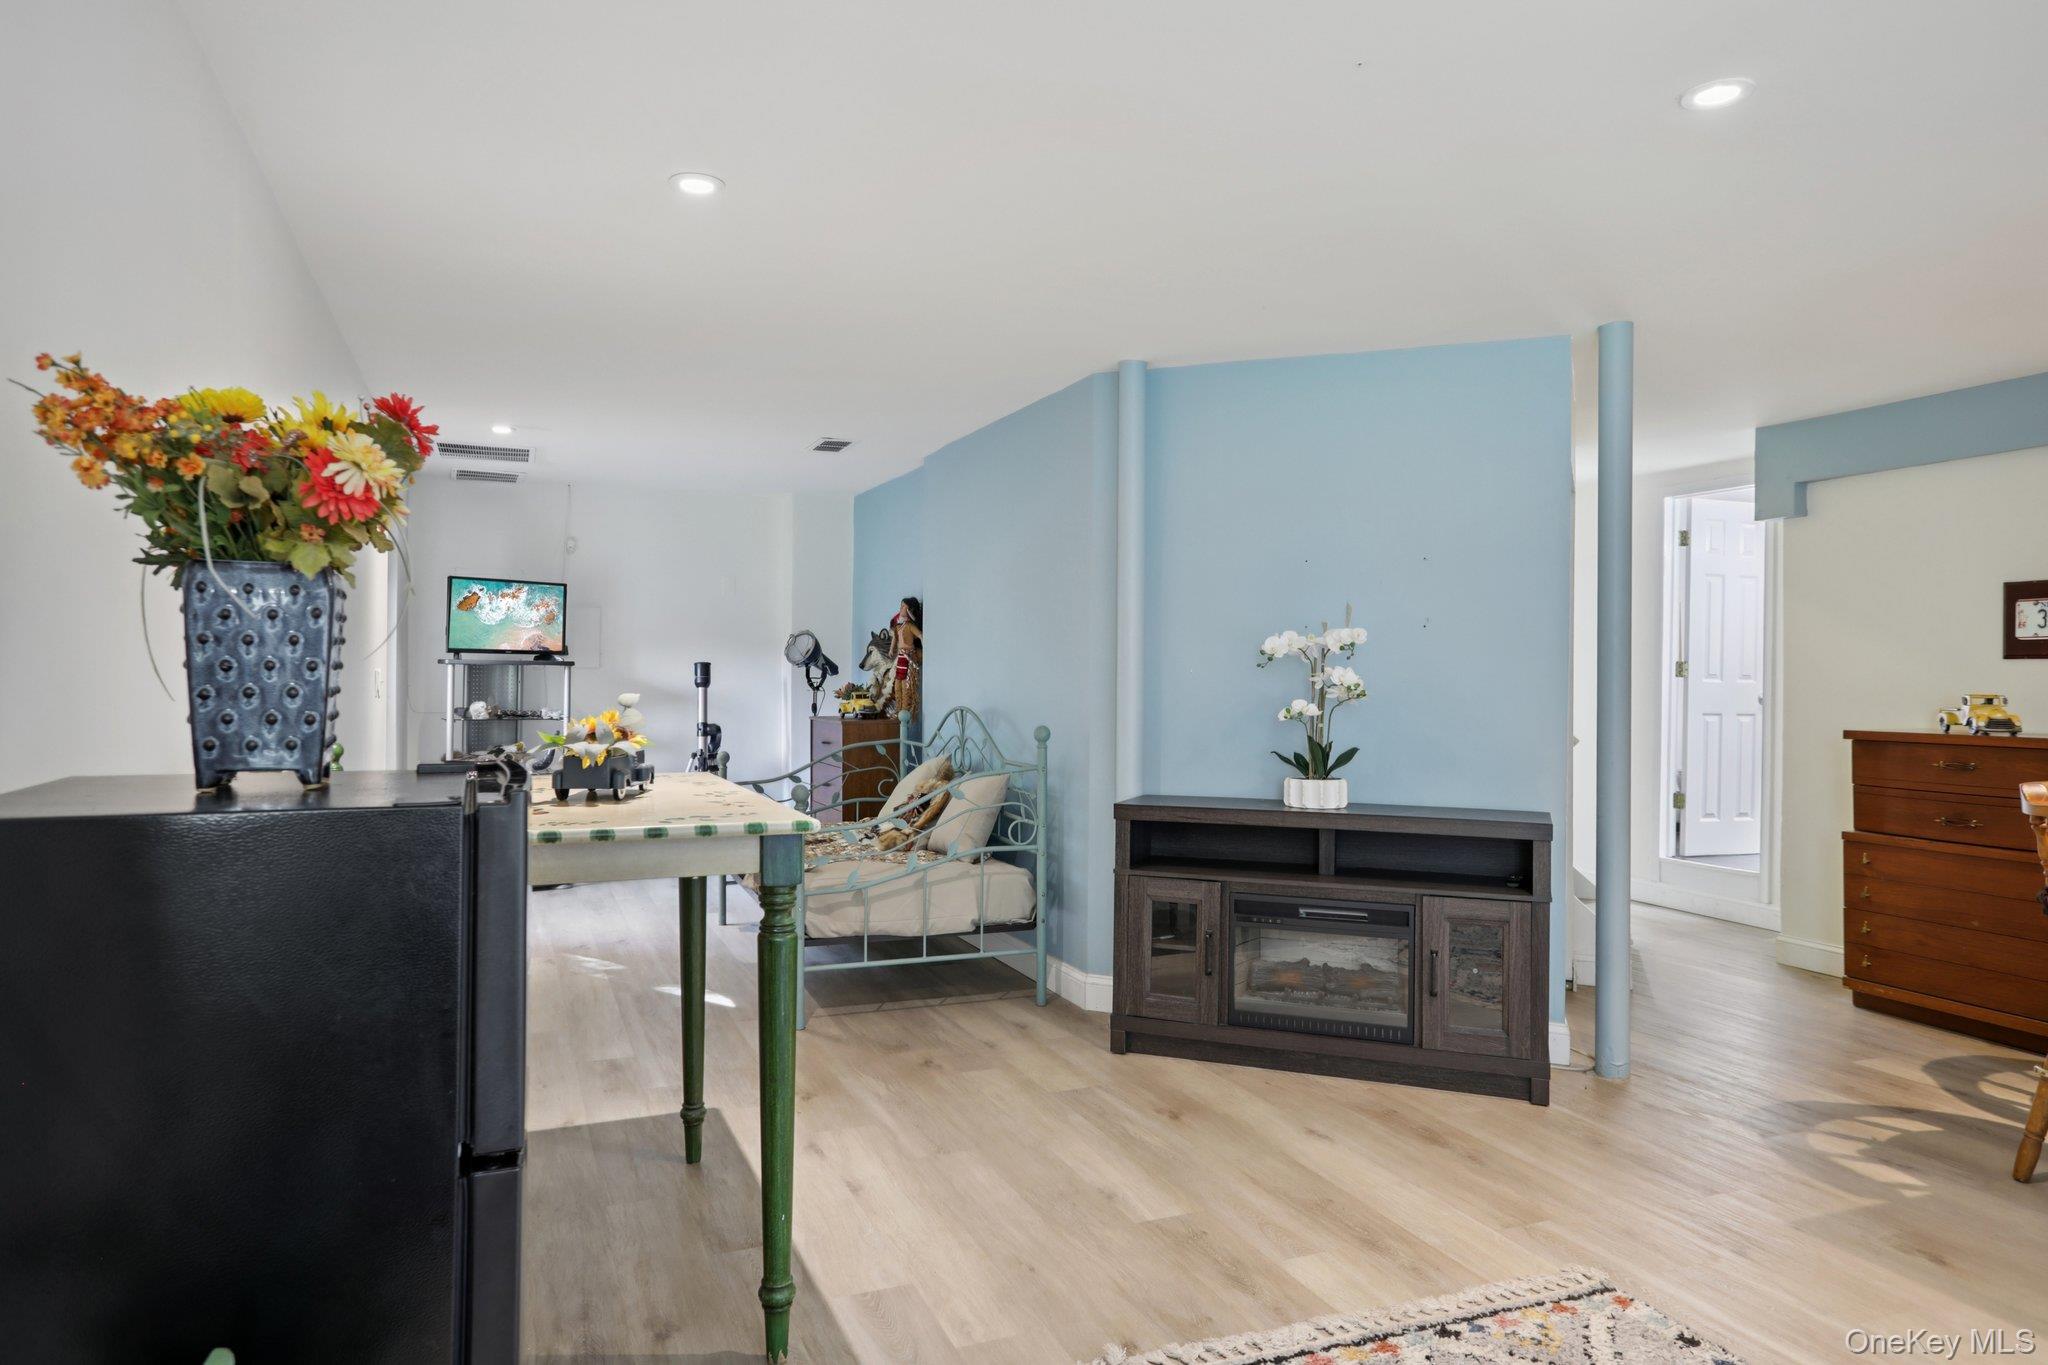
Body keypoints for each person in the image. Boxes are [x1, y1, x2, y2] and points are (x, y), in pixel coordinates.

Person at [889, 596, 922, 719]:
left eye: (904, 606)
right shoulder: (899, 626)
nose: (901, 608)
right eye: (901, 606)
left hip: (909, 656)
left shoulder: (909, 626)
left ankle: (904, 710)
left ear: (910, 610)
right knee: (898, 682)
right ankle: (898, 708)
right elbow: (895, 639)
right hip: (901, 656)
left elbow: (920, 635)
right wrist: (892, 649)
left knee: (906, 684)